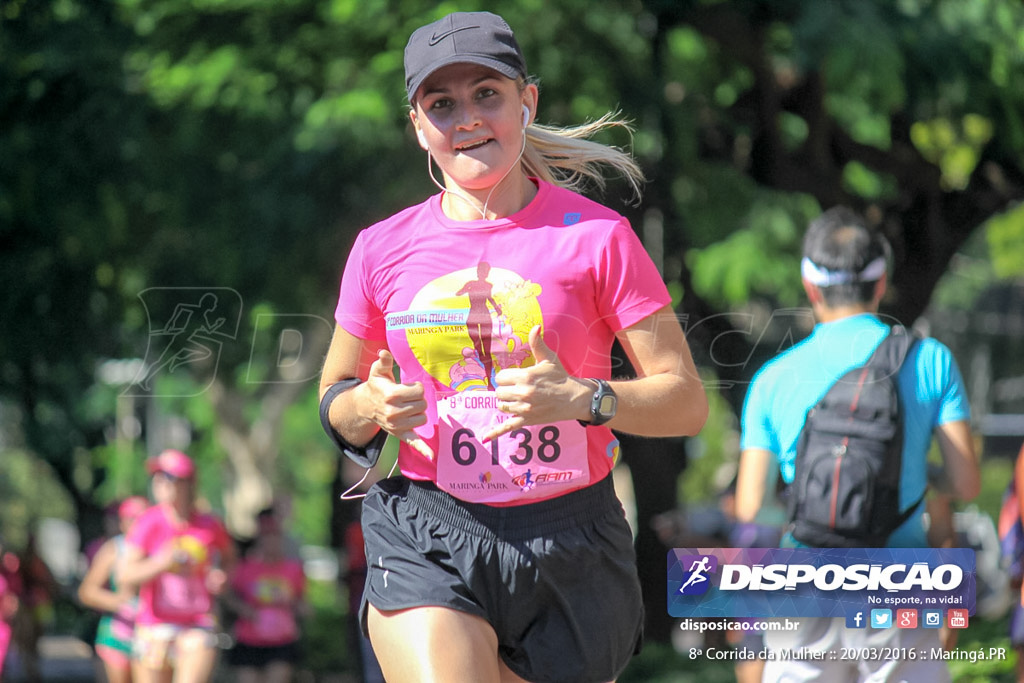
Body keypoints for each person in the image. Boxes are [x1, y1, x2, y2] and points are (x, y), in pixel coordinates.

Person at [318, 10, 708, 683]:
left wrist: (584, 398)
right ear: (418, 125)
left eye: (486, 95)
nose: (466, 117)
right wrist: (370, 404)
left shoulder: (599, 238)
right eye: (442, 104)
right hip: (426, 525)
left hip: (573, 538)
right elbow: (334, 403)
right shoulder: (380, 249)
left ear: (526, 101)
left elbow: (685, 402)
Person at [734, 206, 980, 682]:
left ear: (810, 287)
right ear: (881, 282)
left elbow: (750, 508)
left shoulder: (773, 378)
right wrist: (920, 481)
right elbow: (966, 482)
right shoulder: (930, 360)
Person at [117, 449, 236, 683]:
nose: (160, 482)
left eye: (169, 477)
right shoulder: (148, 522)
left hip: (198, 622)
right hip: (155, 625)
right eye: (157, 476)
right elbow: (125, 574)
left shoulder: (209, 524)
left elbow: (231, 558)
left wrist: (222, 576)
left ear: (188, 483)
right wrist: (160, 563)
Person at [224, 507, 308, 683]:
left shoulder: (293, 570)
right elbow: (227, 594)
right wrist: (245, 610)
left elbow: (304, 605)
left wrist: (293, 604)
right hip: (249, 639)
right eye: (267, 537)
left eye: (275, 537)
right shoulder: (245, 568)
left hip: (282, 640)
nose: (271, 542)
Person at [78, 495, 149, 683]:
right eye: (133, 519)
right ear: (123, 522)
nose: (139, 524)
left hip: (152, 634)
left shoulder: (159, 548)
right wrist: (120, 602)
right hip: (118, 633)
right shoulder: (114, 549)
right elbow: (86, 592)